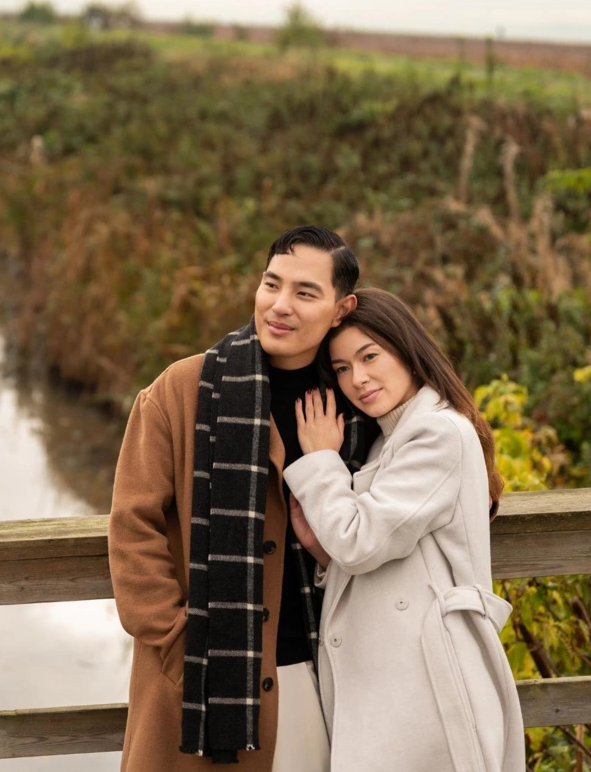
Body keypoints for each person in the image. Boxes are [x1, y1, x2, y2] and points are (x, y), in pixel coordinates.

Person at [108, 226, 379, 770]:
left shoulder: (358, 401)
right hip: (201, 682)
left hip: (321, 675)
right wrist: (182, 645)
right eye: (271, 284)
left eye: (305, 293)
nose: (280, 305)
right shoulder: (182, 390)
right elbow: (133, 526)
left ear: (340, 310)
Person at [283, 287, 524, 772]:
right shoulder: (389, 441)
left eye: (369, 356)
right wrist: (324, 553)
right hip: (397, 678)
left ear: (407, 349)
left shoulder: (437, 432)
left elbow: (359, 541)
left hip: (426, 679)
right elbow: (391, 552)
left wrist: (322, 460)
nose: (358, 379)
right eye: (342, 368)